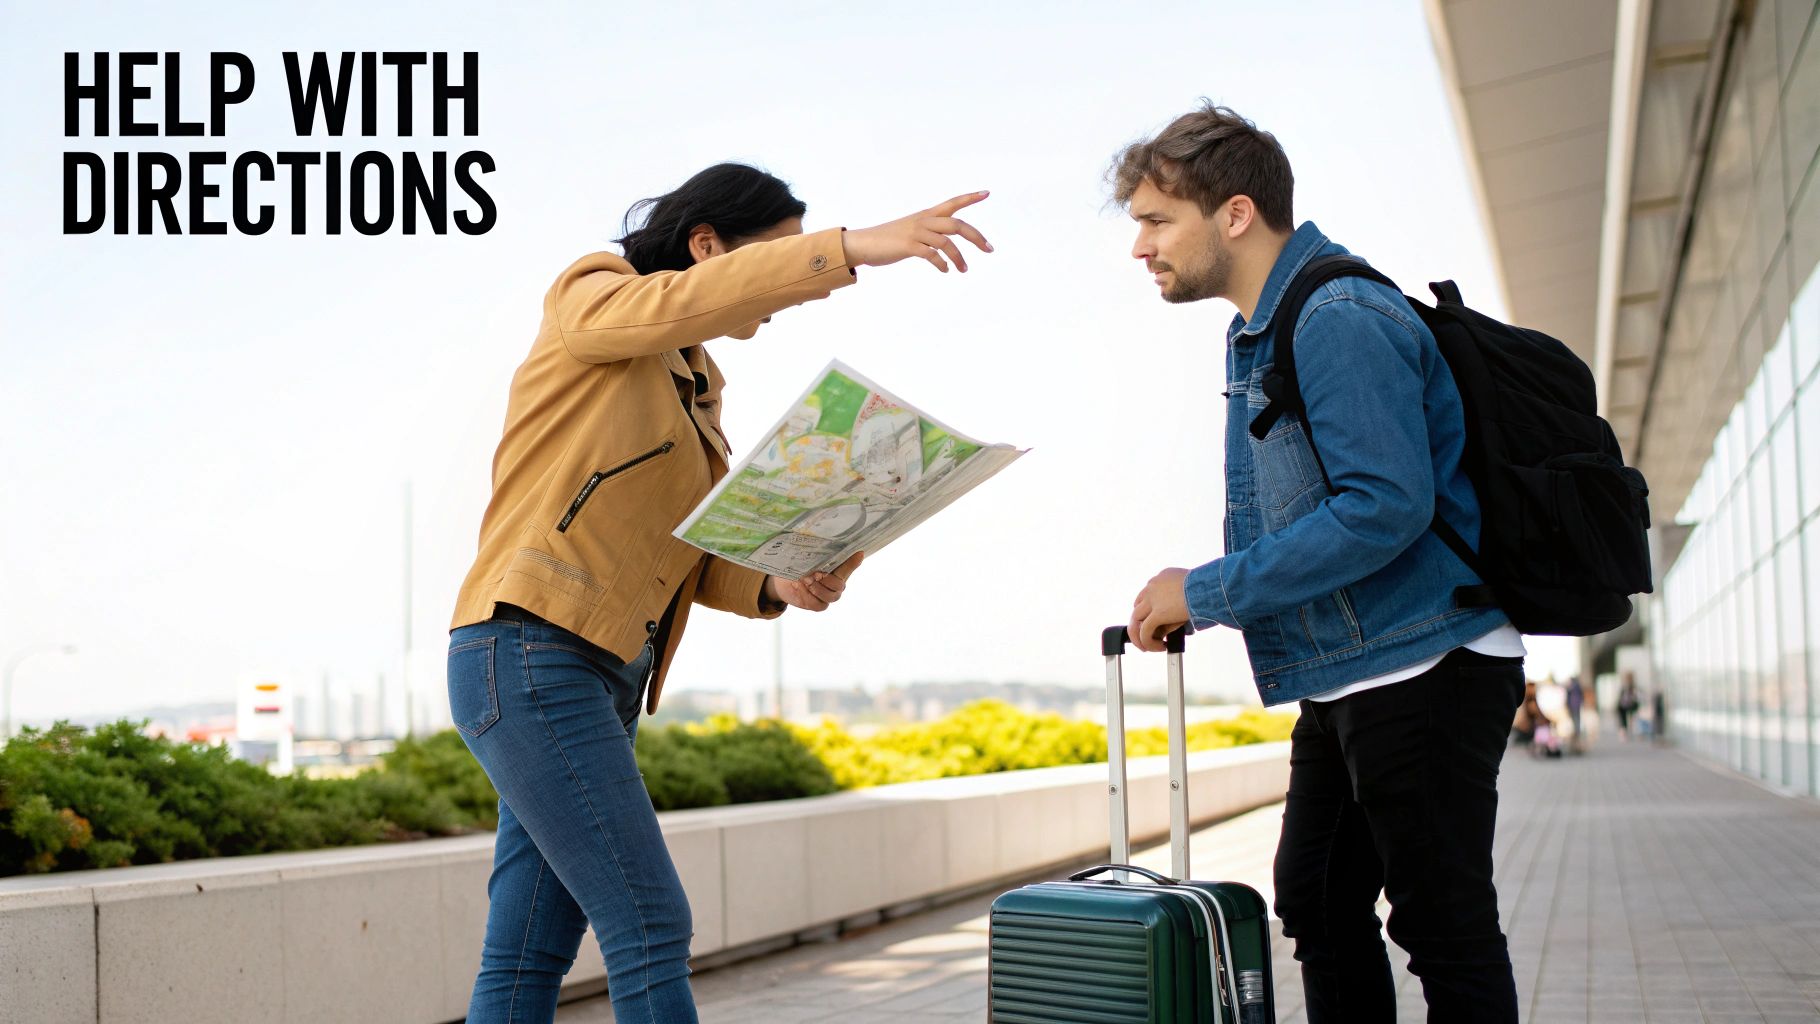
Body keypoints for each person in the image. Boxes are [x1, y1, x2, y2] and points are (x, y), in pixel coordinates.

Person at [445, 163, 992, 1024]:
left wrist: (778, 579)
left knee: (525, 958)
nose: (771, 298)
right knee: (650, 924)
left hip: (595, 671)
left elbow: (684, 555)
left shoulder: (695, 386)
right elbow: (678, 304)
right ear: (708, 244)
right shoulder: (595, 297)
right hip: (528, 647)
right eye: (772, 258)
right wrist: (849, 250)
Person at [1116, 103, 1525, 1022]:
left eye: (1154, 220)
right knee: (1317, 899)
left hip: (1426, 658)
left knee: (1442, 924)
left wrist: (1207, 591)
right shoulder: (1267, 325)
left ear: (1234, 214)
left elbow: (1383, 506)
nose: (1139, 248)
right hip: (1359, 666)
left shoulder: (1334, 313)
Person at [1617, 673, 1641, 740]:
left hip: (1628, 706)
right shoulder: (1626, 687)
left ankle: (1627, 733)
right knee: (1625, 721)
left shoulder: (1631, 687)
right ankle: (1625, 734)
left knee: (1629, 720)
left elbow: (1635, 696)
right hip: (1625, 706)